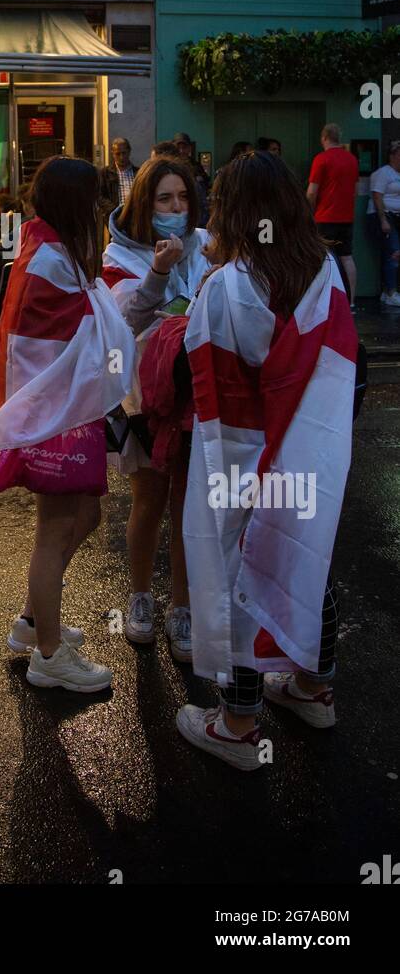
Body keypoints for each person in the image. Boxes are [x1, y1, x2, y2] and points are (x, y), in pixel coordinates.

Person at [176, 152, 357, 770]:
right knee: (306, 559)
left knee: (239, 575)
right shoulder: (328, 274)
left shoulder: (226, 286)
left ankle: (237, 724)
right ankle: (313, 687)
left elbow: (197, 375)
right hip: (309, 450)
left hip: (241, 453)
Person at [0, 157, 135, 692]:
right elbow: (86, 332)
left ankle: (32, 622)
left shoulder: (48, 248)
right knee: (53, 531)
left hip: (62, 407)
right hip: (57, 412)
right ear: (76, 204)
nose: (101, 208)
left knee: (86, 516)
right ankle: (48, 655)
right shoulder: (53, 258)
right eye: (95, 198)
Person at [102, 157, 212, 663]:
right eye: (164, 199)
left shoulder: (207, 245)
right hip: (145, 399)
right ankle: (141, 597)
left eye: (182, 198)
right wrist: (157, 273)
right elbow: (125, 320)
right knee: (148, 500)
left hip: (197, 395)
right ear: (145, 204)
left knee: (189, 506)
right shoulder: (118, 256)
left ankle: (183, 607)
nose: (175, 209)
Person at [307, 123, 359, 309]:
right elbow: (356, 189)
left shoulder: (321, 159)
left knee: (322, 258)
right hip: (346, 218)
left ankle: (322, 301)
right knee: (347, 257)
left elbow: (312, 192)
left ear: (324, 138)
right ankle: (350, 301)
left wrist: (309, 211)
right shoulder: (352, 159)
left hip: (324, 217)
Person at [366, 140, 400, 307]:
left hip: (396, 216)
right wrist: (383, 220)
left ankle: (388, 292)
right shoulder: (383, 173)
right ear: (393, 156)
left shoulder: (398, 175)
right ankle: (390, 292)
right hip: (383, 216)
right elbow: (377, 196)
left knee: (392, 254)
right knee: (393, 253)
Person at [172, 132, 210, 224]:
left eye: (184, 147)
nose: (181, 151)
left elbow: (206, 186)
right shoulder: (170, 167)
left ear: (189, 148)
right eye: (178, 148)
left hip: (199, 217)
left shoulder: (197, 166)